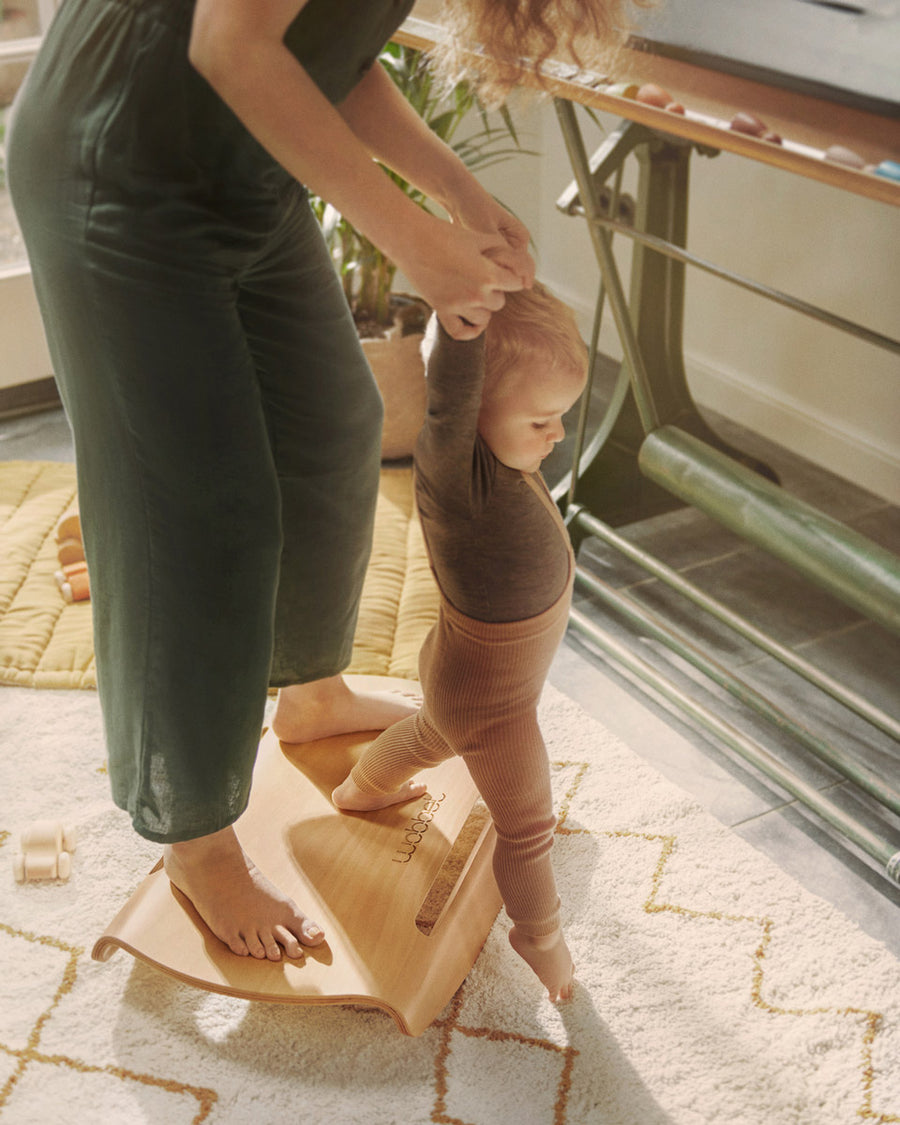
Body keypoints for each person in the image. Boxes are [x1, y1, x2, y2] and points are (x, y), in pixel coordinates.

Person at [6, 0, 624, 967]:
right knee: (197, 512)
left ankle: (310, 690)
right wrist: (412, 240)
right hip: (121, 168)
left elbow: (327, 51)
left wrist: (454, 189)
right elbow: (230, 44)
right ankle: (195, 835)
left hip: (242, 173)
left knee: (334, 425)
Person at [333, 284, 588, 1002]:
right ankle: (539, 933)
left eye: (560, 417)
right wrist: (461, 321)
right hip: (494, 698)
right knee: (527, 822)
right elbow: (447, 394)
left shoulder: (503, 459)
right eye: (542, 419)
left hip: (465, 673)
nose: (557, 436)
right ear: (473, 410)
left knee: (431, 731)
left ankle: (361, 786)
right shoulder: (456, 471)